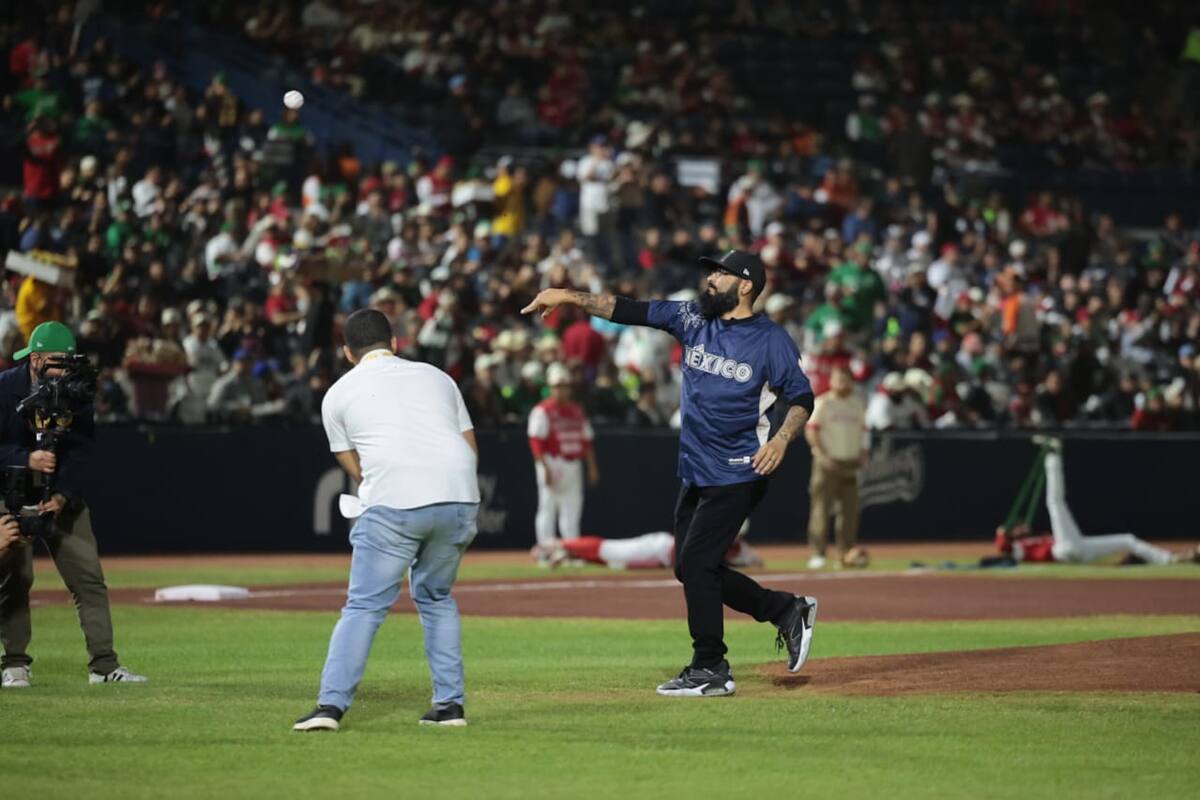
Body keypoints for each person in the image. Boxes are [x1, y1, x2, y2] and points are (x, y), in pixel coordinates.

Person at [522, 249, 818, 698]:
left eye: (721, 273)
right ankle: (784, 609)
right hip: (696, 469)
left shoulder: (769, 340)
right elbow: (626, 309)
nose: (711, 279)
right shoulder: (694, 316)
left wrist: (780, 440)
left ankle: (710, 666)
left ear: (746, 285)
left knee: (697, 563)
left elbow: (801, 397)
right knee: (690, 567)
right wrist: (568, 296)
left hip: (740, 468)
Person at [294, 309, 480, 732]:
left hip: (396, 501)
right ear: (395, 343)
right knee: (435, 599)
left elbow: (355, 467)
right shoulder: (438, 377)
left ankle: (330, 707)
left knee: (363, 606)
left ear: (347, 352)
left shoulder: (338, 393)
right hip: (459, 497)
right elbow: (469, 447)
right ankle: (449, 706)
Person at [0, 322, 147, 687]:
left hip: (60, 496)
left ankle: (104, 665)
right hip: (12, 491)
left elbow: (81, 450)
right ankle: (15, 663)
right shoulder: (4, 388)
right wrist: (24, 458)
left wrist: (62, 495)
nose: (64, 370)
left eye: (68, 362)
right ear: (35, 360)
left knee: (89, 579)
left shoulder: (76, 390)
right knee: (17, 576)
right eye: (56, 362)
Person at [995, 438, 1185, 566]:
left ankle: (1170, 559)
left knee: (1128, 540)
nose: (1021, 528)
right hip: (1063, 551)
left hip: (1078, 549)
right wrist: (1002, 534)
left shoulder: (1032, 539)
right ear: (1014, 535)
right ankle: (1053, 456)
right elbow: (1004, 548)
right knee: (1055, 502)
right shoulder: (1018, 548)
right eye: (1017, 529)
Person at [528, 362, 598, 562]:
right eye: (558, 386)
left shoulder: (576, 410)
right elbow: (536, 441)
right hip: (552, 461)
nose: (561, 390)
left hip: (573, 463)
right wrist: (544, 467)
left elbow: (586, 440)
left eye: (564, 386)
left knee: (572, 509)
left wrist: (592, 467)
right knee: (547, 507)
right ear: (550, 388)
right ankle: (546, 551)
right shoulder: (542, 410)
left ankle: (571, 549)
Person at [805, 366, 870, 569]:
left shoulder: (856, 403)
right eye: (838, 378)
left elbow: (864, 431)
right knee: (821, 509)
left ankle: (846, 552)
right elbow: (812, 432)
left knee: (850, 511)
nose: (842, 382)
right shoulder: (823, 403)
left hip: (850, 462)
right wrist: (823, 456)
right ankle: (818, 552)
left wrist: (863, 453)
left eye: (845, 378)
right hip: (827, 463)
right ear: (831, 381)